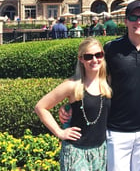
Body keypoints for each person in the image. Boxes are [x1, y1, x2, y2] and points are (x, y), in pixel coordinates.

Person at [59, 0, 140, 171]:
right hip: (116, 131)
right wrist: (70, 104)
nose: (139, 21)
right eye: (133, 17)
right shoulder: (111, 48)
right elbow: (90, 77)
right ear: (125, 21)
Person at [35, 37, 112, 171]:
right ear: (81, 59)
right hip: (76, 152)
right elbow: (41, 107)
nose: (94, 60)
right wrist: (60, 132)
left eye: (98, 55)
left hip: (100, 151)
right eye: (89, 56)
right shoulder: (72, 85)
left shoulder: (107, 83)